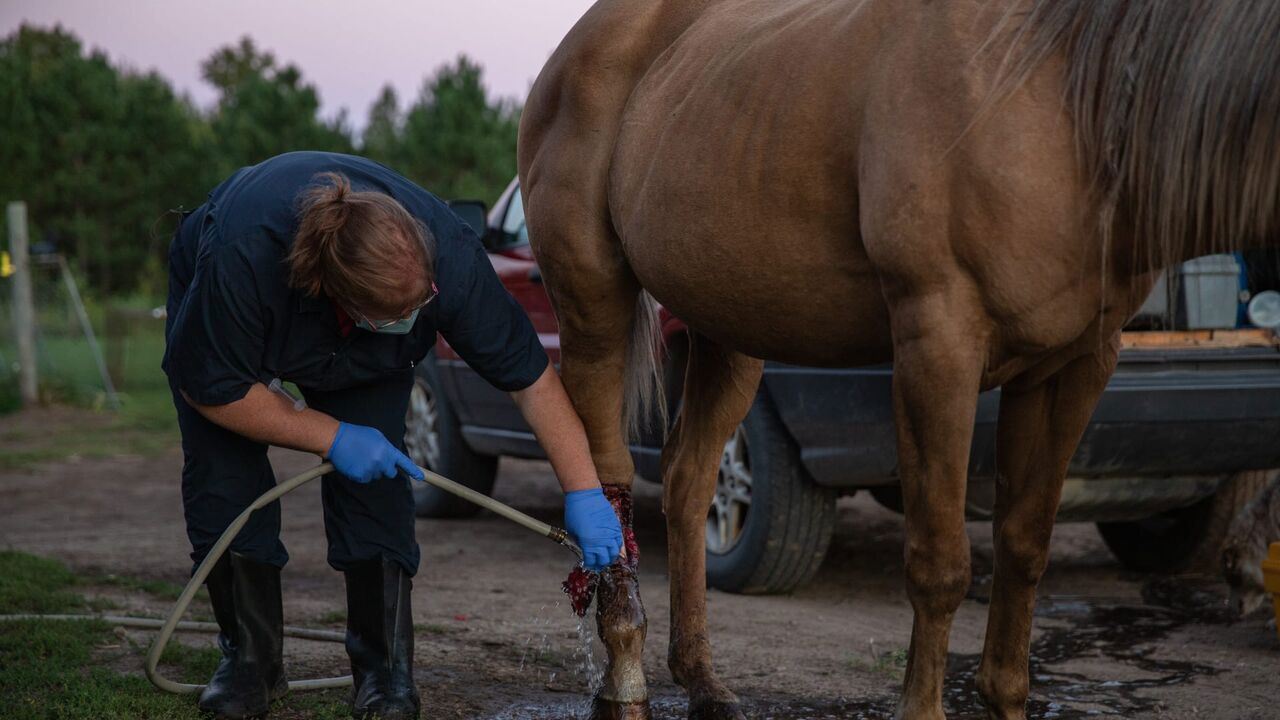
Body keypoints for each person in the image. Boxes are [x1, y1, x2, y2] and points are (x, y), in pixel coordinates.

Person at [162, 151, 623, 720]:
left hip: (366, 349)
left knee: (377, 486)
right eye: (399, 312)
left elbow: (531, 382)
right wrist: (331, 435)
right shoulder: (242, 256)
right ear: (337, 297)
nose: (416, 313)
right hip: (236, 309)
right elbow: (213, 390)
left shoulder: (450, 261)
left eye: (422, 302)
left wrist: (583, 490)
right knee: (224, 471)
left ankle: (383, 672)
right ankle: (250, 663)